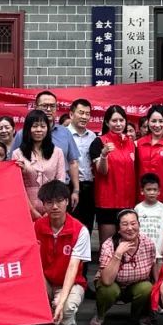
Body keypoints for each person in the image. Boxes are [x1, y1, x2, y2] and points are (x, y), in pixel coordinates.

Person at [10, 181, 92, 325]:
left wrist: (61, 301)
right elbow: (30, 263)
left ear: (67, 201)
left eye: (59, 201)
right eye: (49, 202)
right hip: (44, 280)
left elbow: (73, 268)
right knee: (25, 287)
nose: (55, 206)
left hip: (70, 282)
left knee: (66, 308)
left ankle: (66, 319)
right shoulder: (35, 227)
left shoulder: (80, 231)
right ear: (43, 204)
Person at [90, 209, 156, 325]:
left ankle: (138, 315)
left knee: (147, 287)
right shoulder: (108, 245)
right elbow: (107, 280)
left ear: (139, 225)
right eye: (125, 224)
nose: (130, 228)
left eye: (133, 223)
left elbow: (153, 268)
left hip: (135, 285)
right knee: (107, 289)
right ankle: (100, 315)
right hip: (113, 285)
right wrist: (118, 254)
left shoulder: (148, 243)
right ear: (118, 229)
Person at [11, 91, 80, 205]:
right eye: (44, 106)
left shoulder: (65, 133)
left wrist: (76, 190)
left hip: (58, 194)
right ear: (36, 106)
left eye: (52, 106)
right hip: (27, 199)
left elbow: (73, 162)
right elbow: (13, 167)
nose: (48, 109)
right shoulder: (21, 135)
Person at [89, 105, 137, 246]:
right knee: (108, 246)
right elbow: (101, 171)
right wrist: (104, 155)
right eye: (114, 121)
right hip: (107, 202)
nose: (118, 124)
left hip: (128, 202)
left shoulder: (131, 143)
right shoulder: (99, 142)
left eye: (121, 120)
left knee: (128, 245)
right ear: (107, 122)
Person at [12, 109, 67, 220]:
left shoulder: (57, 152)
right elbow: (17, 187)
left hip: (53, 208)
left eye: (42, 126)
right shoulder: (17, 154)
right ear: (28, 129)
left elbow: (60, 182)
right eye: (35, 126)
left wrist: (50, 210)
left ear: (47, 129)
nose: (39, 130)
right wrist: (32, 211)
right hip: (26, 208)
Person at [65, 98, 97, 232]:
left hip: (89, 186)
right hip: (69, 186)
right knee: (71, 226)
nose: (84, 117)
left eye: (87, 114)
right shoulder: (63, 134)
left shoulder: (93, 136)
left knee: (87, 226)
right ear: (71, 114)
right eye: (81, 113)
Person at [135, 173, 163, 264]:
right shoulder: (138, 208)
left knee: (158, 271)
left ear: (159, 191)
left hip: (158, 250)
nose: (152, 192)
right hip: (141, 251)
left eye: (154, 190)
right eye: (148, 189)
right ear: (142, 191)